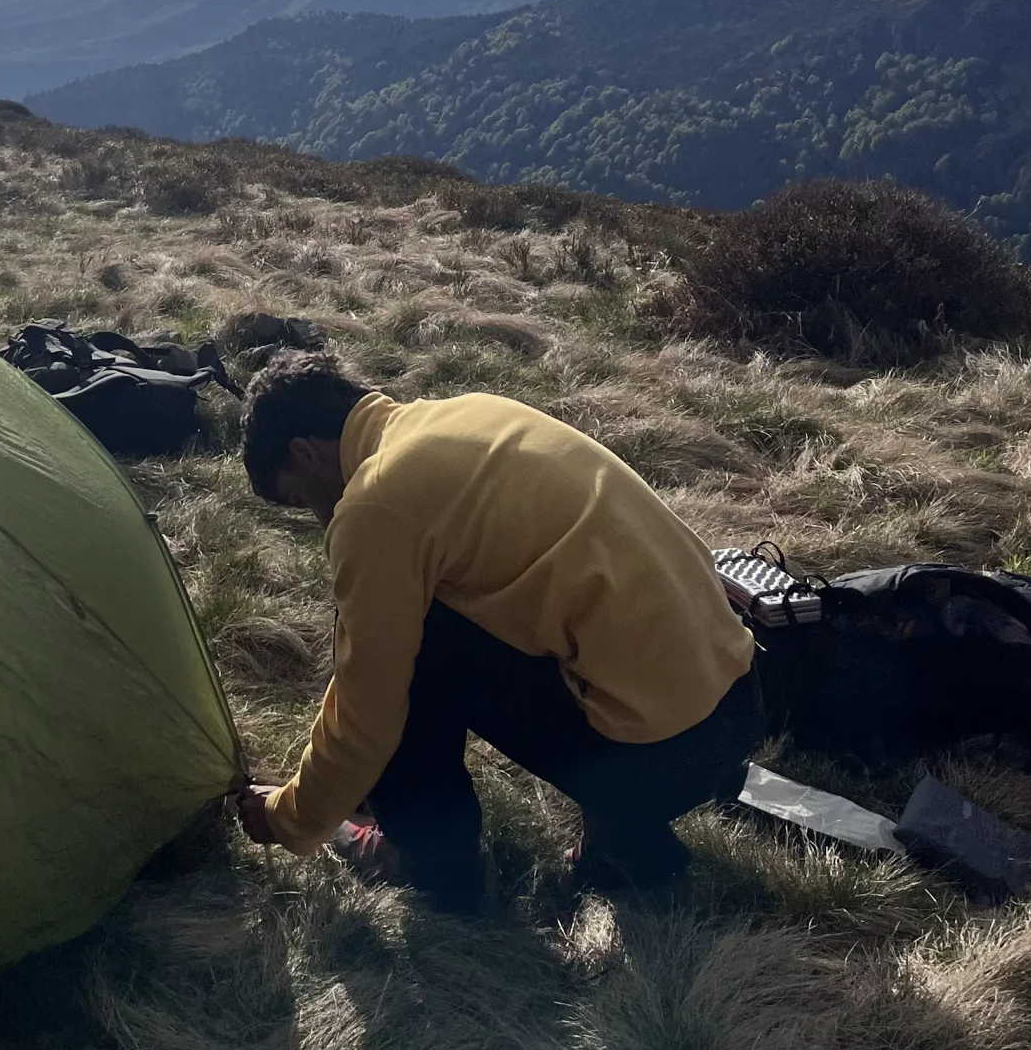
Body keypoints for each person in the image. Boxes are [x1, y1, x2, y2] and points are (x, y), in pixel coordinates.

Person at [233, 351, 761, 907]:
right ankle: (625, 845)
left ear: (305, 453)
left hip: (663, 758)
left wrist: (288, 816)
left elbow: (366, 714)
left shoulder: (376, 505)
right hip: (742, 699)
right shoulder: (471, 412)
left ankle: (431, 863)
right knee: (449, 611)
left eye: (300, 498)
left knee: (416, 646)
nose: (318, 519)